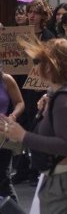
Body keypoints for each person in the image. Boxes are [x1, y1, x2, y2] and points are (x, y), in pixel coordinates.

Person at [4, 38, 67, 213]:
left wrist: (22, 135)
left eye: (38, 62)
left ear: (50, 66)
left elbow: (66, 144)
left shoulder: (65, 99)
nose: (35, 68)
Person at [0, 67, 24, 203]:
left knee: (3, 180)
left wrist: (13, 115)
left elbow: (20, 102)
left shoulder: (6, 79)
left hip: (2, 135)